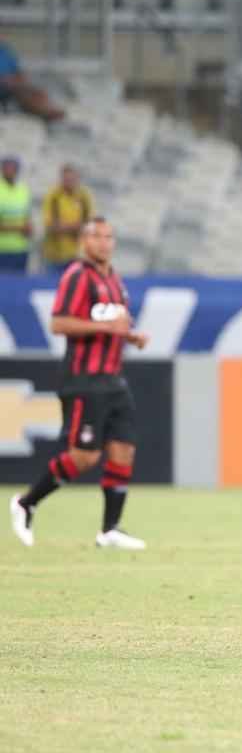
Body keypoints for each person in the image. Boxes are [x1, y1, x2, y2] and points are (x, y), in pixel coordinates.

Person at [9, 218, 150, 550]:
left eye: (109, 236)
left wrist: (131, 336)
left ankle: (110, 529)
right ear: (84, 241)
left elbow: (114, 324)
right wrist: (107, 330)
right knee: (84, 457)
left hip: (114, 379)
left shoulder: (115, 280)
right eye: (96, 236)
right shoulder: (77, 276)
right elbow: (58, 323)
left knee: (124, 450)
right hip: (84, 380)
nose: (103, 242)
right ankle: (26, 503)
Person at [42, 164, 95, 274]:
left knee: (76, 288)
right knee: (55, 287)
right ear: (61, 179)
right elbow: (50, 226)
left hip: (78, 255)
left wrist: (64, 226)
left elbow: (90, 226)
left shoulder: (84, 197)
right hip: (55, 255)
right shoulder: (53, 196)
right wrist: (75, 227)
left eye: (72, 178)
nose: (69, 181)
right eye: (66, 179)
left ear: (77, 179)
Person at [0, 40, 65, 121]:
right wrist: (6, 80)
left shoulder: (5, 51)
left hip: (13, 84)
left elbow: (19, 72)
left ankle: (48, 108)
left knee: (36, 91)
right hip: (4, 87)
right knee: (22, 92)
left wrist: (18, 79)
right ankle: (44, 112)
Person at [0, 155, 32, 272]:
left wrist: (29, 228)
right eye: (7, 168)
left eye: (13, 168)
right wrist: (17, 228)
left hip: (20, 249)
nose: (10, 171)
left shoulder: (23, 190)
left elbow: (26, 216)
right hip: (2, 249)